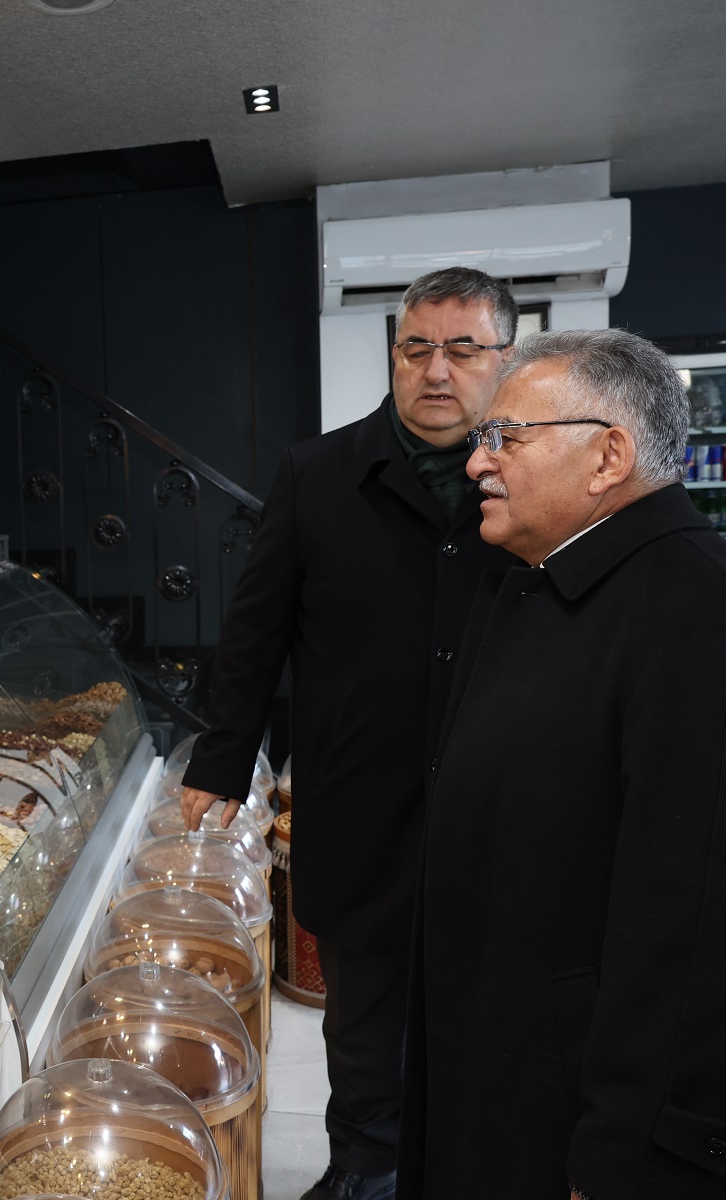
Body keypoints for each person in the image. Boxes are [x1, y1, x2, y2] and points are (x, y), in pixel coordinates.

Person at [400, 329, 726, 1199]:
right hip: (504, 1074)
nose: (478, 462)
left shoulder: (708, 613)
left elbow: (708, 933)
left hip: (591, 1129)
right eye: (483, 438)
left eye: (506, 436)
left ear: (608, 456)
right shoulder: (529, 585)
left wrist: (639, 1164)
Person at [179, 267, 523, 1200]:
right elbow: (255, 630)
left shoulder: (533, 479)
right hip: (361, 806)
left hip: (498, 813)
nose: (436, 371)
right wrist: (222, 757)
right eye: (417, 348)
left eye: (463, 349)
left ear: (506, 359)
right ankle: (364, 1173)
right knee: (365, 1028)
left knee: (484, 1024)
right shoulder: (318, 473)